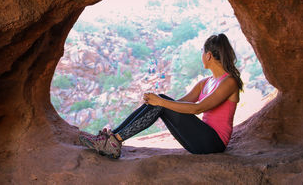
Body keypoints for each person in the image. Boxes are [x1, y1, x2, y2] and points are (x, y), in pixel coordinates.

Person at [79, 33, 243, 159]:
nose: (201, 55)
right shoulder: (206, 82)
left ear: (208, 55)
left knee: (161, 102)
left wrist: (160, 102)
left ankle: (114, 142)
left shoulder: (229, 82)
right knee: (161, 101)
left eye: (202, 51)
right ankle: (111, 138)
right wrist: (155, 102)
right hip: (200, 140)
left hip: (213, 143)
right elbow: (177, 105)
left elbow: (197, 108)